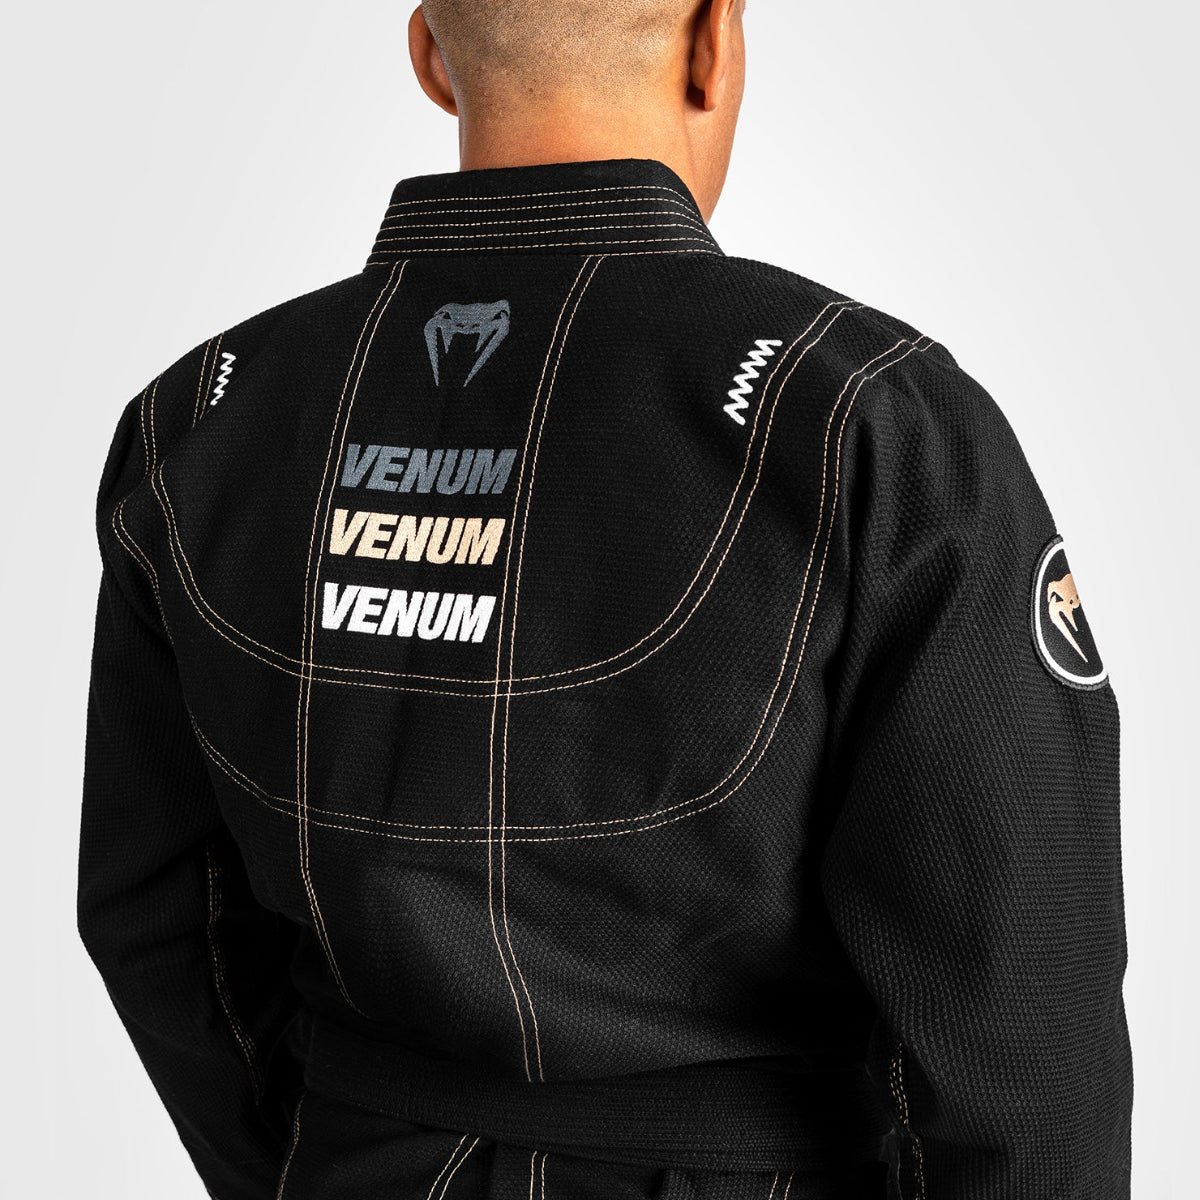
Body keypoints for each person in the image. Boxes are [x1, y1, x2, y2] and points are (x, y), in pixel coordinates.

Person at [76, 2, 1133, 1198]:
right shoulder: (865, 425)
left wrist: (330, 1156)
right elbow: (1021, 1023)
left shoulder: (201, 424)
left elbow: (160, 920)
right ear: (712, 42)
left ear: (431, 55)